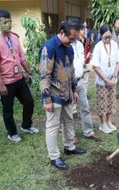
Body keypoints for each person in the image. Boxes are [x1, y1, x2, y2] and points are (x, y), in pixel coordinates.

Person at [39, 19, 86, 170]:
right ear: (61, 33)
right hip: (53, 95)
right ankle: (54, 157)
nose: (72, 42)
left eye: (75, 39)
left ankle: (69, 147)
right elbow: (44, 75)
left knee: (69, 121)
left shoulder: (69, 48)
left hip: (67, 93)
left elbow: (71, 70)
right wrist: (46, 100)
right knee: (53, 126)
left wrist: (74, 90)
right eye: (71, 38)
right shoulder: (49, 48)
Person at [0, 9, 39, 143]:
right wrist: (1, 85)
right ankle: (12, 133)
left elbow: (22, 58)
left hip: (19, 79)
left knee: (29, 102)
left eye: (8, 21)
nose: (7, 24)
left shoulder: (15, 38)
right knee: (8, 110)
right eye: (3, 22)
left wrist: (29, 72)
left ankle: (26, 125)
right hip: (6, 81)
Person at [91, 24, 119, 134]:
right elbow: (95, 66)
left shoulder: (114, 45)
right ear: (101, 36)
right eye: (106, 37)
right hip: (102, 81)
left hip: (112, 80)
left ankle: (109, 121)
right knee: (102, 102)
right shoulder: (98, 47)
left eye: (110, 36)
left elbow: (118, 60)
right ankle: (103, 124)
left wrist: (114, 76)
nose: (108, 39)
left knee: (111, 101)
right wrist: (106, 80)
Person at [79, 25, 92, 94]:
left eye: (84, 30)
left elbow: (90, 49)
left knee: (86, 81)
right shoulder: (76, 41)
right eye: (82, 29)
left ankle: (85, 94)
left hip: (86, 62)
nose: (83, 31)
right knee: (79, 80)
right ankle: (78, 94)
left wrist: (89, 54)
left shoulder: (87, 40)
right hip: (79, 63)